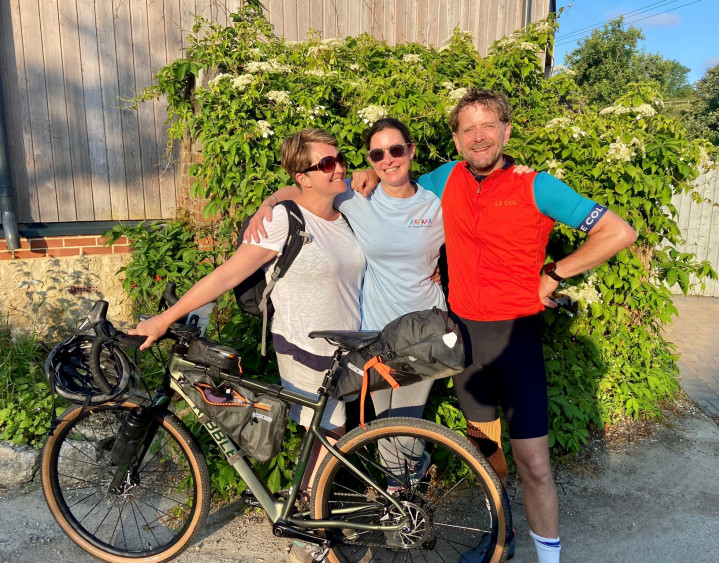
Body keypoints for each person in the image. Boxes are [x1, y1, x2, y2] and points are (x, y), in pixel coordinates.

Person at [353, 88, 637, 563]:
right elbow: (395, 179)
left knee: (535, 465)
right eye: (469, 129)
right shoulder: (443, 179)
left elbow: (618, 231)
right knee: (486, 460)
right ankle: (498, 542)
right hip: (466, 341)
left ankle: (549, 559)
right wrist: (362, 174)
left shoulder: (537, 186)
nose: (479, 137)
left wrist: (556, 272)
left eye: (489, 126)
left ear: (506, 130)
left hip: (517, 340)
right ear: (457, 138)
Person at [129, 129, 366, 523]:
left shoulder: (347, 208)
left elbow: (368, 183)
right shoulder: (282, 221)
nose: (338, 166)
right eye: (326, 163)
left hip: (347, 344)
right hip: (303, 343)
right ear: (303, 176)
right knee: (328, 432)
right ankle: (309, 521)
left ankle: (304, 508)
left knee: (328, 434)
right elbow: (226, 276)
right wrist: (164, 320)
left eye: (340, 158)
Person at [245, 118, 444, 493]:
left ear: (412, 151)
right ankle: (399, 495)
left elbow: (472, 243)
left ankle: (405, 512)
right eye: (377, 154)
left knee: (398, 434)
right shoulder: (353, 197)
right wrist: (269, 203)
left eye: (397, 150)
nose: (388, 159)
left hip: (422, 334)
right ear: (369, 159)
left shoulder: (436, 202)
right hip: (375, 338)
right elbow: (301, 187)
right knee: (380, 430)